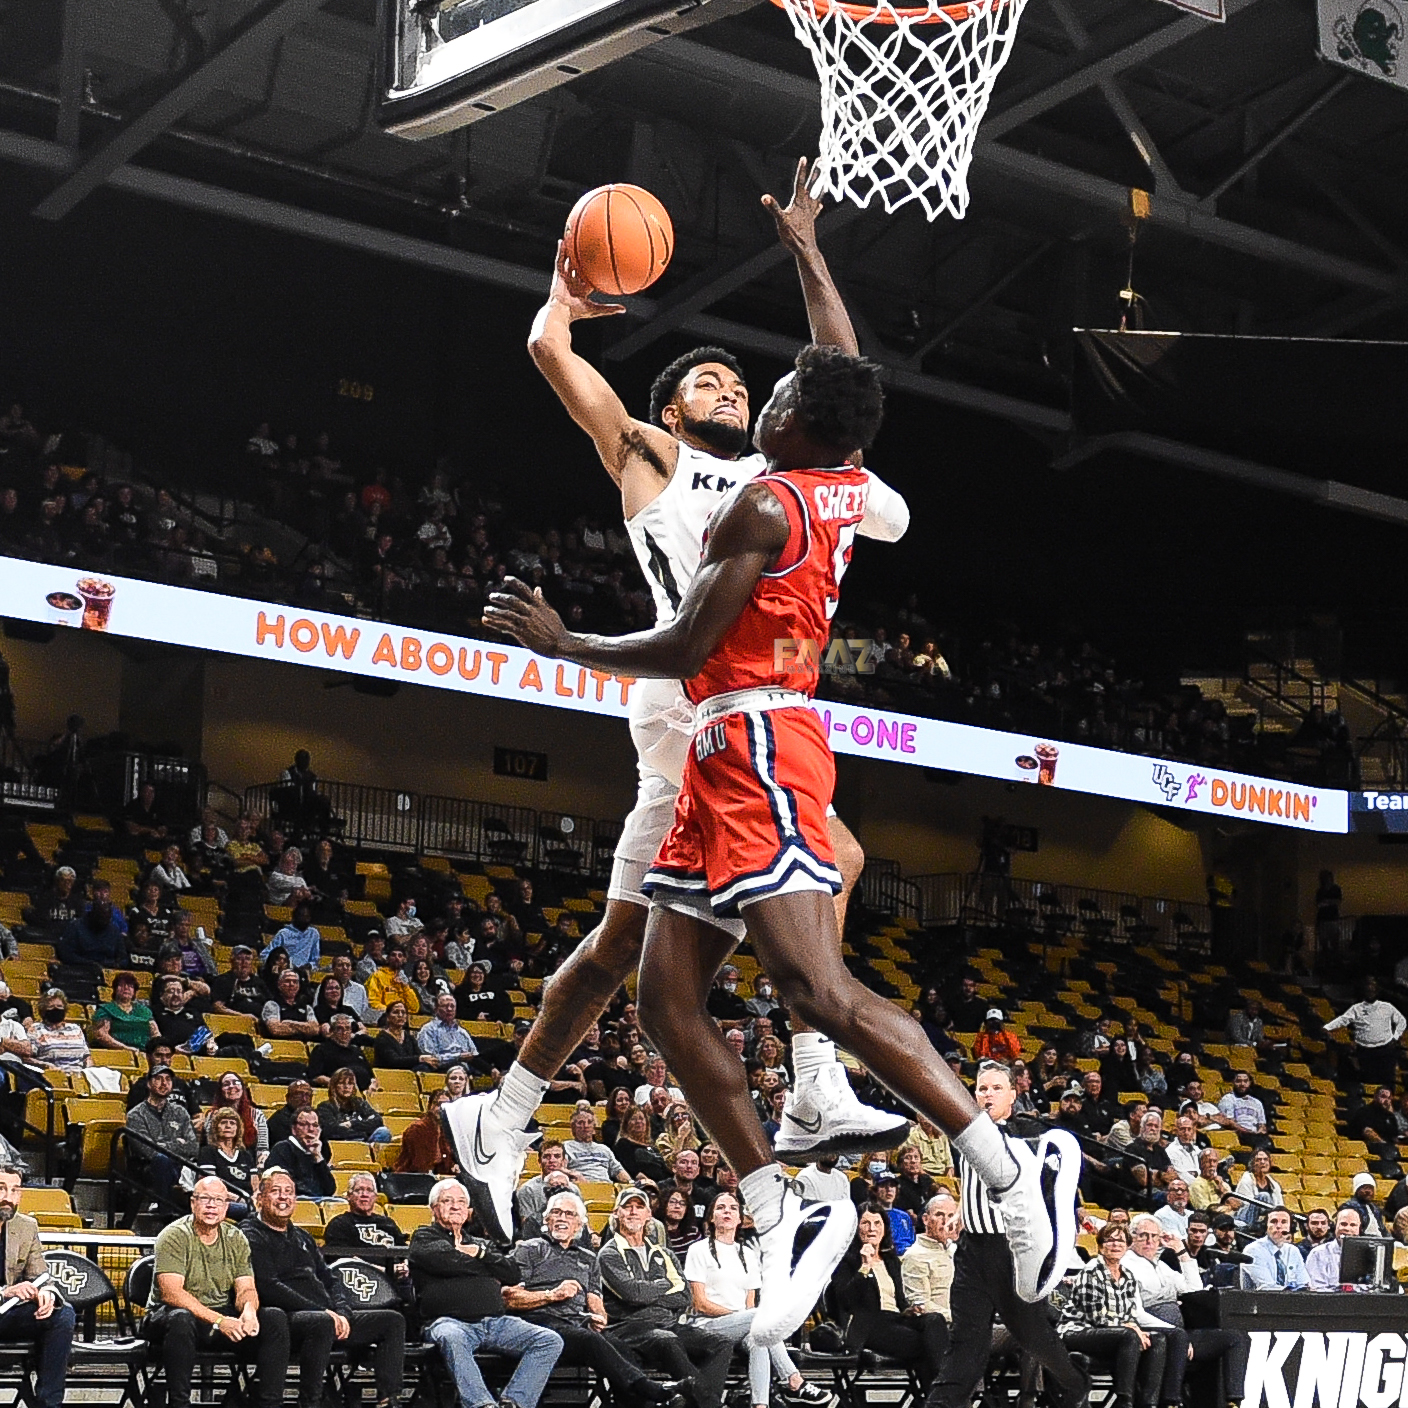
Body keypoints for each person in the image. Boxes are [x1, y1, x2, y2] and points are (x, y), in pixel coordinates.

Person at [484, 340, 1079, 1343]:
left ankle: (1015, 1174)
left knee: (812, 988)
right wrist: (805, 251)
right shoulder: (838, 478)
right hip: (722, 752)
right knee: (664, 1001)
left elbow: (684, 647)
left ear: (803, 425)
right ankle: (778, 1203)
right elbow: (841, 364)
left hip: (758, 736)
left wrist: (567, 643)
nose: (768, 395)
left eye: (783, 392)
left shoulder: (764, 505)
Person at [445, 167, 918, 1251]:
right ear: (670, 409)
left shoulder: (775, 473)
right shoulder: (651, 457)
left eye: (735, 384)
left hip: (719, 707)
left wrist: (807, 250)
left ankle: (500, 1112)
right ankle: (808, 1079)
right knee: (832, 858)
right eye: (704, 380)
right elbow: (553, 362)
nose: (725, 389)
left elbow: (836, 374)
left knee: (621, 948)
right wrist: (562, 306)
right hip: (681, 693)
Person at [925, 1061, 1086, 1408]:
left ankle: (1075, 1385)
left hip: (1011, 1251)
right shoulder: (966, 1132)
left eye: (996, 1088)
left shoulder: (1023, 1135)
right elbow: (975, 1183)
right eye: (982, 1088)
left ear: (1014, 1094)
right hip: (973, 1250)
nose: (987, 1095)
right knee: (966, 1340)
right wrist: (962, 1210)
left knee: (1034, 1336)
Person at [506, 1191, 690, 1408]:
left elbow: (595, 1302)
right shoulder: (529, 1249)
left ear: (579, 1225)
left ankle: (643, 1402)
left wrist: (599, 1317)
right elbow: (510, 1298)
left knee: (617, 1344)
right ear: (547, 1220)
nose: (562, 1218)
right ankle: (655, 1391)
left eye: (569, 1214)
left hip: (577, 1322)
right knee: (590, 1340)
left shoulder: (588, 1257)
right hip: (539, 1320)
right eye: (557, 1213)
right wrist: (551, 1295)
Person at [240, 1168, 405, 1408]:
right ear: (260, 1198)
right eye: (276, 1192)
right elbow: (268, 1286)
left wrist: (343, 1312)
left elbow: (331, 1280)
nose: (283, 1198)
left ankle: (389, 1400)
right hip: (286, 1320)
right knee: (321, 1322)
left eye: (289, 1192)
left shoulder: (303, 1237)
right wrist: (323, 1312)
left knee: (393, 1321)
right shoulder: (251, 1235)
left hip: (328, 1316)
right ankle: (310, 1402)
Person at [410, 1179, 564, 1408]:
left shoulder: (481, 1244)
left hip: (496, 1322)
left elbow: (512, 1273)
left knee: (549, 1340)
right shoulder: (424, 1237)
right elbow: (446, 1261)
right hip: (449, 1322)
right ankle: (482, 1404)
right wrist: (485, 1266)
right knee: (452, 1338)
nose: (455, 1206)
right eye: (447, 1201)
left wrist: (480, 1254)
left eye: (461, 1202)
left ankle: (514, 1402)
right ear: (434, 1208)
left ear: (469, 1210)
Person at [143, 1178, 289, 1408]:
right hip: (171, 1316)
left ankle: (269, 1403)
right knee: (181, 1318)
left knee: (274, 1318)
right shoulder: (173, 1235)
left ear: (226, 1207)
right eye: (205, 1199)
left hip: (221, 1315)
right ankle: (179, 1404)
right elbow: (172, 1294)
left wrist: (249, 1311)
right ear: (193, 1203)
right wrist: (220, 1321)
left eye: (219, 1200)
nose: (212, 1206)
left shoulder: (236, 1237)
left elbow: (246, 1287)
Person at [682, 1191, 831, 1408]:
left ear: (740, 1219)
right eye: (721, 1208)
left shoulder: (748, 1254)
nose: (727, 1212)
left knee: (759, 1340)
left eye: (733, 1208)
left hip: (744, 1324)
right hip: (706, 1325)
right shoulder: (698, 1249)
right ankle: (793, 1380)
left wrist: (747, 1319)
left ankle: (760, 1405)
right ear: (711, 1218)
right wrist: (744, 1318)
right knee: (759, 1320)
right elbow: (700, 1303)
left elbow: (750, 1303)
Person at [597, 1185, 733, 1407]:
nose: (633, 1212)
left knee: (721, 1344)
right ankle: (711, 1405)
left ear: (648, 1214)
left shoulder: (664, 1253)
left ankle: (696, 1402)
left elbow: (684, 1296)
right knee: (666, 1340)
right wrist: (664, 1284)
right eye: (627, 1207)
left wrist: (647, 1291)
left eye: (639, 1207)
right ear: (616, 1214)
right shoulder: (609, 1253)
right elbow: (633, 1294)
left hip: (668, 1323)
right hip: (629, 1327)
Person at [833, 1202, 948, 1390]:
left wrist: (910, 1311)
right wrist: (865, 1266)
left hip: (896, 1319)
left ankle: (940, 1396)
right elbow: (845, 1299)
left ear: (885, 1228)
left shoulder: (891, 1260)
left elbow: (900, 1301)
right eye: (866, 1223)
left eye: (877, 1223)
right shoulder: (846, 1261)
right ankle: (943, 1395)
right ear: (856, 1228)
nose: (872, 1229)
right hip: (869, 1324)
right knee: (929, 1345)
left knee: (934, 1320)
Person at [1056, 1223, 1167, 1408]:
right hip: (1077, 1331)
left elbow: (1130, 1313)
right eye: (1110, 1240)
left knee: (1158, 1339)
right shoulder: (1091, 1271)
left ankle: (1148, 1402)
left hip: (1112, 1334)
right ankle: (1124, 1400)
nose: (1115, 1245)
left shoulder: (1128, 1276)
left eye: (1120, 1241)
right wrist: (1130, 1327)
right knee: (1129, 1335)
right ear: (1100, 1246)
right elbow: (1096, 1316)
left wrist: (1134, 1327)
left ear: (1127, 1246)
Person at [0, 1163, 76, 1408]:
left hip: (8, 1315)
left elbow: (42, 1275)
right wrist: (6, 1291)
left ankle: (48, 1403)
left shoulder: (26, 1226)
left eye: (14, 1191)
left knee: (62, 1314)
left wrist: (46, 1293)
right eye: (1, 1189)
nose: (8, 1198)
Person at [126, 1063, 201, 1203]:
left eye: (168, 1079)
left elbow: (193, 1147)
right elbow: (148, 1151)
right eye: (159, 1079)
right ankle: (164, 1208)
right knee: (162, 1160)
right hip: (148, 1167)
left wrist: (162, 1145)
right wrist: (177, 1143)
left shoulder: (180, 1112)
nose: (164, 1083)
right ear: (149, 1084)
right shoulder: (136, 1115)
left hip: (181, 1166)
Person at [1324, 979, 1406, 1087]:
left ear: (1377, 991)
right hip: (1365, 1050)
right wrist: (1327, 1027)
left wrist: (1395, 1037)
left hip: (1384, 1051)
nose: (1370, 992)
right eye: (1367, 990)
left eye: (1372, 990)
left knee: (1386, 1080)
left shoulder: (1387, 1007)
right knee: (1366, 1079)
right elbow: (1343, 1020)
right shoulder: (1357, 1008)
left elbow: (1402, 1021)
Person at [900, 1191, 957, 1322]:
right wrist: (959, 1318)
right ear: (925, 1219)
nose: (946, 1222)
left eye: (951, 1216)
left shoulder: (957, 1250)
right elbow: (921, 1304)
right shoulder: (915, 1256)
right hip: (944, 1325)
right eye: (939, 1215)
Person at [196, 1107, 258, 1217]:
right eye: (223, 1122)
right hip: (222, 1200)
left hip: (248, 1200)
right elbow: (210, 1187)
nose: (228, 1126)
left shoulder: (246, 1155)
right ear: (215, 1127)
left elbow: (255, 1185)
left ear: (238, 1128)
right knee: (249, 1212)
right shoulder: (208, 1152)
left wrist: (254, 1198)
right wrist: (240, 1199)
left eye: (232, 1123)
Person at [267, 1108, 336, 1200]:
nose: (311, 1129)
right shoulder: (282, 1149)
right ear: (294, 1129)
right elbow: (285, 1185)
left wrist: (318, 1157)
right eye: (305, 1125)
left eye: (315, 1125)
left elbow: (330, 1190)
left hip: (318, 1201)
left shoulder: (318, 1152)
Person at [1241, 1207, 1309, 1290]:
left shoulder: (1293, 1251)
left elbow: (1303, 1283)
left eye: (1284, 1222)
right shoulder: (1253, 1250)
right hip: (1260, 1301)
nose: (1279, 1226)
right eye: (1273, 1222)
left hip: (1291, 1300)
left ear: (1290, 1227)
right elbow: (1267, 1288)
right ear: (1266, 1226)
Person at [317, 1066, 390, 1144]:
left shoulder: (360, 1103)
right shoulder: (325, 1107)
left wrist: (351, 1124)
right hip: (342, 1143)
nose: (346, 1087)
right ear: (334, 1086)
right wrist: (362, 1131)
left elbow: (377, 1120)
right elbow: (331, 1130)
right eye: (342, 1083)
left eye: (350, 1083)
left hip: (364, 1141)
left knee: (383, 1132)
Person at [92, 972, 160, 1053]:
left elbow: (156, 1035)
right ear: (115, 989)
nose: (126, 988)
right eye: (122, 985)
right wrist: (125, 1048)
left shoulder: (145, 1011)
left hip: (144, 1052)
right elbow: (101, 1035)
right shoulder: (105, 1010)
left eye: (130, 986)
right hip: (115, 1052)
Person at [395, 1090, 457, 1175]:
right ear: (430, 1106)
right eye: (438, 1104)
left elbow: (447, 1160)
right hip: (411, 1178)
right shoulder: (417, 1129)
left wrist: (453, 1167)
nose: (442, 1109)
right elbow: (420, 1165)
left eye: (446, 1105)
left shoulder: (446, 1130)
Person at [419, 994, 485, 1073]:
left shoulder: (462, 1032)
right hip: (443, 1071)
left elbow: (474, 1055)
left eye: (452, 1006)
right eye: (445, 1006)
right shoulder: (428, 1030)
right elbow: (432, 1060)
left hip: (467, 1070)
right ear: (436, 1009)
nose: (449, 1009)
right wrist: (458, 1057)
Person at [565, 1107, 631, 1185]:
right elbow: (559, 1169)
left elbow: (618, 1171)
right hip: (580, 1186)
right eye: (580, 1123)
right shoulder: (566, 1147)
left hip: (606, 1187)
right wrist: (575, 1175)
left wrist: (632, 1183)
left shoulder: (604, 1149)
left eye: (589, 1122)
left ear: (594, 1127)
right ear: (573, 1127)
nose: (585, 1126)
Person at [307, 1014, 376, 1089]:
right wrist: (339, 1085)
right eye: (340, 1029)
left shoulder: (357, 1050)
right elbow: (316, 1077)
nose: (344, 1032)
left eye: (347, 1028)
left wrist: (372, 1085)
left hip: (364, 1092)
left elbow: (371, 1076)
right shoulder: (321, 1050)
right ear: (331, 1031)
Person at [1305, 1205, 1364, 1290]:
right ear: (1335, 1226)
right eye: (1343, 1224)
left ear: (1359, 1228)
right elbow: (1317, 1290)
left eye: (1353, 1225)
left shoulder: (1367, 1255)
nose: (1347, 1229)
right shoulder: (1318, 1254)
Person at [261, 968, 319, 1041]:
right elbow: (276, 1029)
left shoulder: (307, 1007)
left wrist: (288, 1023)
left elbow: (315, 1029)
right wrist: (304, 1028)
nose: (291, 984)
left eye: (295, 982)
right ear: (279, 984)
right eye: (287, 981)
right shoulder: (271, 1004)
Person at [1231, 1149, 1283, 1231]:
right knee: (1264, 1196)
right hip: (1245, 1217)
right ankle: (1250, 1229)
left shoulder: (1274, 1185)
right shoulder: (1247, 1179)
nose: (1262, 1162)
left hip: (1265, 1218)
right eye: (1259, 1160)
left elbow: (1280, 1205)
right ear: (1253, 1164)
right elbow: (1245, 1204)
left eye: (1265, 1159)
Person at [261, 903, 321, 972]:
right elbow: (265, 955)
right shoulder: (283, 933)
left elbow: (315, 960)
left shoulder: (313, 933)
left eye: (307, 917)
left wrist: (309, 966)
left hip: (304, 972)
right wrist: (279, 964)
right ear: (295, 916)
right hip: (285, 969)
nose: (305, 919)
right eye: (302, 916)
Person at [1344, 1170, 1388, 1237]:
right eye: (1365, 1188)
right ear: (1357, 1190)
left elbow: (1383, 1230)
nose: (1368, 1191)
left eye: (1371, 1188)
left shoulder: (1375, 1209)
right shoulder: (1349, 1208)